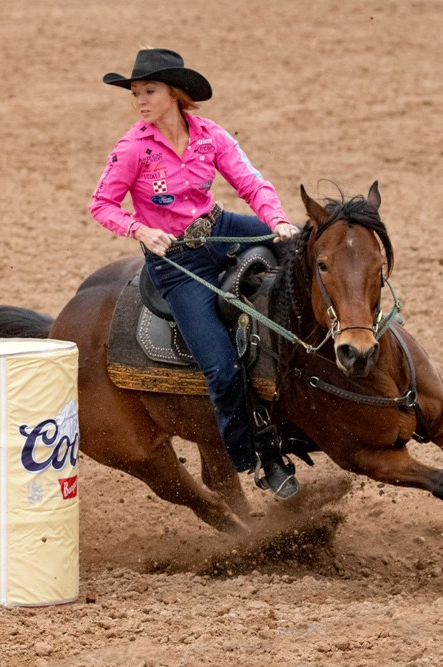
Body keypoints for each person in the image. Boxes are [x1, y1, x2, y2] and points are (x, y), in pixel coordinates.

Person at [89, 47, 301, 500]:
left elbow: (250, 183)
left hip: (220, 230)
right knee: (221, 369)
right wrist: (140, 230)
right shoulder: (133, 148)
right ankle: (255, 456)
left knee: (301, 243)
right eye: (135, 93)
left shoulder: (211, 136)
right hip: (177, 265)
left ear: (175, 94)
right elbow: (102, 205)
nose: (140, 100)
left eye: (149, 91)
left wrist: (277, 220)